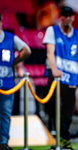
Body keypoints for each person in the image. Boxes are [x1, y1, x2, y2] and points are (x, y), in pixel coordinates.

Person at [43, 6, 78, 150]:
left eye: (70, 15)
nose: (67, 17)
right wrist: (54, 70)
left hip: (72, 76)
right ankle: (60, 138)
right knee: (53, 106)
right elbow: (50, 52)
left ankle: (65, 138)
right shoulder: (52, 30)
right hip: (56, 75)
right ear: (61, 17)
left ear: (73, 17)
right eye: (65, 15)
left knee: (68, 110)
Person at [0, 13, 31, 150]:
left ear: (1, 22)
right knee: (5, 114)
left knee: (6, 114)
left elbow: (27, 50)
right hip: (7, 83)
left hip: (7, 84)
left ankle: (3, 143)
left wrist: (15, 62)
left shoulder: (11, 38)